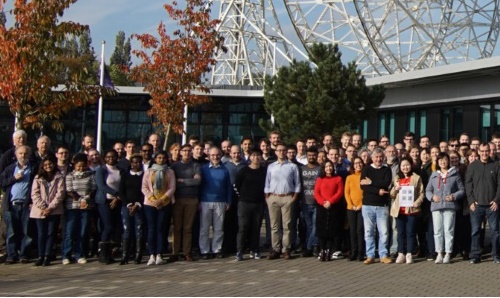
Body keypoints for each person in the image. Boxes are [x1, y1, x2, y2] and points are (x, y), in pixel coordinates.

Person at [426, 152, 464, 264]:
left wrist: (453, 196)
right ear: (437, 162)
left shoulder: (455, 174)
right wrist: (432, 197)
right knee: (437, 231)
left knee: (448, 230)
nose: (443, 162)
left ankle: (448, 253)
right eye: (440, 160)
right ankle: (439, 253)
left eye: (445, 160)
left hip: (449, 206)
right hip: (436, 207)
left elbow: (462, 190)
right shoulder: (433, 175)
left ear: (448, 161)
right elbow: (428, 190)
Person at [265, 143, 301, 260]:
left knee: (287, 225)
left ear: (286, 152)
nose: (281, 152)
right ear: (275, 152)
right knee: (274, 226)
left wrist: (294, 197)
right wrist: (268, 197)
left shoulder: (292, 166)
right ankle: (275, 249)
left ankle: (286, 249)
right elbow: (267, 182)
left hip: (287, 197)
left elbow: (297, 183)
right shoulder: (271, 167)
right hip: (273, 197)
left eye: (283, 150)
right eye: (279, 150)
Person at [465, 143, 500, 264]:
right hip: (477, 205)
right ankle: (475, 255)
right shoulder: (472, 166)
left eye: (487, 151)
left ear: (489, 151)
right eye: (483, 151)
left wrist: (497, 200)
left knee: (495, 231)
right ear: (479, 151)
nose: (485, 153)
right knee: (475, 231)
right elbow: (468, 185)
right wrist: (470, 201)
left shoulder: (496, 165)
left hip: (492, 205)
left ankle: (496, 255)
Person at [1, 145, 36, 264]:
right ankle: (11, 255)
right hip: (11, 204)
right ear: (16, 155)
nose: (23, 156)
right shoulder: (10, 169)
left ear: (29, 155)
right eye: (20, 153)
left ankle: (24, 254)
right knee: (11, 232)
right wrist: (14, 178)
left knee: (26, 231)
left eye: (26, 153)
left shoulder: (33, 169)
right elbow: (2, 183)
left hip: (26, 205)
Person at [142, 151, 176, 265]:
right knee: (151, 229)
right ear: (155, 159)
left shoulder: (169, 172)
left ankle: (159, 254)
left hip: (164, 203)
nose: (161, 160)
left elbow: (172, 187)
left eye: (163, 158)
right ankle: (151, 253)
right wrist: (153, 199)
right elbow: (144, 187)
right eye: (159, 158)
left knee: (161, 229)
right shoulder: (149, 171)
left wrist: (162, 200)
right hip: (150, 204)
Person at [30, 155, 65, 266]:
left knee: (51, 233)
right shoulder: (37, 178)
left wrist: (50, 208)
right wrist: (43, 207)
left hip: (54, 210)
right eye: (45, 165)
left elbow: (60, 194)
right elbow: (34, 194)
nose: (48, 166)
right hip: (39, 210)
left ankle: (47, 256)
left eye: (50, 164)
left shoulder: (59, 177)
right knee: (41, 234)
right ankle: (40, 256)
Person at [360, 148, 392, 264]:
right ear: (372, 158)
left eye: (380, 157)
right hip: (368, 205)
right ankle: (370, 255)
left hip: (382, 205)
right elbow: (363, 186)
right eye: (376, 157)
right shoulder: (366, 169)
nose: (378, 159)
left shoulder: (387, 169)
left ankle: (383, 255)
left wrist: (371, 182)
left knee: (383, 231)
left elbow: (386, 183)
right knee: (369, 231)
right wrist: (377, 191)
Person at [63, 153, 96, 265]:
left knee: (83, 232)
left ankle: (80, 254)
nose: (81, 168)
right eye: (78, 166)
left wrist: (85, 199)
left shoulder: (91, 175)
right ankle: (66, 255)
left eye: (83, 166)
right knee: (70, 231)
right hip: (72, 206)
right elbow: (69, 190)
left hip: (86, 206)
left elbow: (93, 188)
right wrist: (80, 200)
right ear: (74, 166)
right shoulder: (69, 175)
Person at [390, 158, 425, 264]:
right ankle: (401, 253)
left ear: (411, 165)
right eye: (403, 165)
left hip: (411, 210)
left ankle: (409, 253)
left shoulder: (416, 178)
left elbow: (421, 193)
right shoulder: (397, 178)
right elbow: (392, 194)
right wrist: (395, 189)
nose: (405, 167)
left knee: (410, 232)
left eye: (407, 165)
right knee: (400, 233)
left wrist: (417, 203)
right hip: (399, 210)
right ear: (400, 167)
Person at [199, 147, 232, 259]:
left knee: (219, 228)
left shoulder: (225, 169)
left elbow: (228, 186)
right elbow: (200, 186)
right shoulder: (203, 169)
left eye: (217, 155)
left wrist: (228, 201)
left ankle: (216, 249)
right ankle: (204, 250)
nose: (215, 157)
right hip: (205, 201)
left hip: (221, 201)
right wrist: (199, 201)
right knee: (204, 228)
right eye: (213, 155)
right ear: (208, 156)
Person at [234, 149, 267, 260]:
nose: (256, 158)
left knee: (256, 227)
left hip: (259, 203)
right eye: (253, 155)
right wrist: (243, 196)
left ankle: (255, 249)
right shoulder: (244, 170)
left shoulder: (264, 171)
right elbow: (237, 185)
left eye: (258, 155)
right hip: (244, 203)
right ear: (250, 158)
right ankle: (240, 250)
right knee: (243, 227)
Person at [171, 144, 201, 262]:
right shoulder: (175, 166)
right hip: (177, 199)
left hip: (192, 199)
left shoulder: (196, 165)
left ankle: (186, 252)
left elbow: (197, 182)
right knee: (177, 227)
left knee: (188, 227)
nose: (186, 153)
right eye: (184, 151)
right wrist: (190, 181)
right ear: (180, 152)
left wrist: (182, 180)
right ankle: (175, 251)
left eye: (189, 151)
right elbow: (173, 182)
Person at [95, 149, 124, 264]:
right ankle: (103, 254)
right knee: (107, 227)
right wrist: (116, 194)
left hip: (117, 202)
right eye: (108, 157)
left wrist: (117, 198)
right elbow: (101, 186)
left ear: (117, 157)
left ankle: (111, 253)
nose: (111, 159)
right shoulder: (101, 170)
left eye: (113, 157)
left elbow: (123, 186)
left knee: (116, 227)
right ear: (104, 158)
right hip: (105, 202)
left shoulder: (121, 170)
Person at [314, 160, 344, 261]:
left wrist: (330, 201)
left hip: (334, 206)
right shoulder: (320, 179)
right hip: (322, 207)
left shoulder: (338, 178)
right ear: (323, 168)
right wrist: (323, 202)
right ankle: (322, 249)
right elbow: (316, 193)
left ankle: (329, 250)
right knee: (322, 229)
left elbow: (339, 192)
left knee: (332, 229)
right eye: (326, 166)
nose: (328, 168)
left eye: (330, 166)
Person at [119, 154, 145, 265]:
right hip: (126, 206)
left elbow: (144, 191)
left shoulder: (144, 176)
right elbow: (121, 191)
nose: (137, 164)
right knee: (127, 230)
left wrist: (137, 204)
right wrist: (128, 204)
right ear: (131, 163)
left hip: (139, 206)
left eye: (139, 162)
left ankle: (138, 255)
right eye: (134, 162)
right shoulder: (125, 175)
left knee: (139, 230)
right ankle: (125, 256)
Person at [300, 147, 320, 257]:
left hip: (317, 202)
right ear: (306, 156)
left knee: (315, 226)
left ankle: (311, 247)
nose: (311, 157)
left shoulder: (320, 169)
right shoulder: (301, 169)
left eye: (313, 155)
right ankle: (312, 246)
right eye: (309, 155)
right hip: (305, 202)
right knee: (309, 226)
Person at [344, 156, 365, 261]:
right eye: (356, 163)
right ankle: (353, 251)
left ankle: (361, 252)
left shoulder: (365, 177)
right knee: (352, 230)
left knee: (360, 230)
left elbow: (366, 193)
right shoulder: (349, 177)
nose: (358, 165)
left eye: (360, 163)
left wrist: (360, 205)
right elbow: (346, 192)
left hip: (362, 207)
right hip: (351, 207)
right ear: (353, 165)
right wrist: (351, 204)